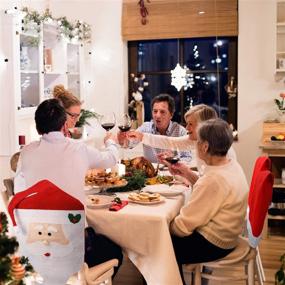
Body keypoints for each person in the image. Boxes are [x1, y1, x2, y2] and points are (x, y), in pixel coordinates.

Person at [14, 99, 123, 275]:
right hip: (73, 251)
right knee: (115, 250)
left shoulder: (26, 153)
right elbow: (110, 159)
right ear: (65, 125)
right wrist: (110, 142)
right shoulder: (78, 149)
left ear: (37, 128)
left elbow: (19, 192)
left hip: (37, 248)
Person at [164, 119, 248, 285]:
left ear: (205, 147)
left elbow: (183, 227)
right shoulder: (231, 165)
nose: (196, 145)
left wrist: (163, 226)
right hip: (229, 235)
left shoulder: (213, 180)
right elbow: (212, 193)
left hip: (214, 243)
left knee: (158, 246)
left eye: (198, 141)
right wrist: (187, 173)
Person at [129, 104, 236, 184]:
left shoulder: (219, 151)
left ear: (204, 126)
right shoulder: (201, 140)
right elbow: (169, 142)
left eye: (191, 124)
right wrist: (141, 136)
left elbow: (210, 187)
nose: (186, 128)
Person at [135, 93, 191, 163]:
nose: (157, 115)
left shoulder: (181, 131)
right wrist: (123, 139)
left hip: (172, 172)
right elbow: (130, 142)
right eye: (155, 111)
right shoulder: (146, 128)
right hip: (151, 172)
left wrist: (173, 159)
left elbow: (187, 158)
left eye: (162, 112)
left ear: (171, 115)